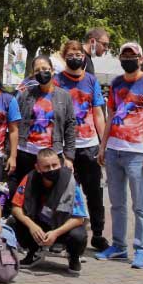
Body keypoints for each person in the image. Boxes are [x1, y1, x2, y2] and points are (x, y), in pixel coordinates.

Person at [96, 42, 143, 270]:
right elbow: (111, 115)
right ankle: (118, 246)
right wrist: (103, 146)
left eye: (132, 55)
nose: (128, 59)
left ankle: (141, 249)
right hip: (114, 150)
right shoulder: (116, 83)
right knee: (117, 203)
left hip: (137, 152)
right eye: (124, 55)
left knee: (140, 205)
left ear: (141, 58)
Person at [55, 40, 109, 251]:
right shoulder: (57, 81)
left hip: (89, 145)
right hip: (65, 147)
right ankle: (62, 236)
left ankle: (97, 234)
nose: (75, 57)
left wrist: (103, 144)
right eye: (71, 54)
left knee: (94, 192)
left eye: (79, 54)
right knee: (64, 192)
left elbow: (98, 113)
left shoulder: (91, 81)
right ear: (64, 56)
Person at [10, 147, 89, 275]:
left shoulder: (70, 181)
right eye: (47, 167)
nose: (52, 169)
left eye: (55, 165)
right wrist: (32, 226)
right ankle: (33, 251)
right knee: (13, 222)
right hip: (39, 226)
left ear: (60, 164)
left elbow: (79, 218)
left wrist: (56, 233)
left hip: (62, 226)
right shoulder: (29, 178)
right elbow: (15, 208)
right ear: (38, 168)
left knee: (78, 235)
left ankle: (74, 257)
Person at [14, 56, 77, 186]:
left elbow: (70, 126)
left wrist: (69, 157)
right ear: (33, 74)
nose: (41, 72)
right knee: (26, 192)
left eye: (45, 69)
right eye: (37, 70)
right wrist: (11, 153)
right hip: (27, 153)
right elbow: (14, 123)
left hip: (53, 155)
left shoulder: (64, 96)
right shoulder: (25, 94)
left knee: (52, 193)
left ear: (52, 71)